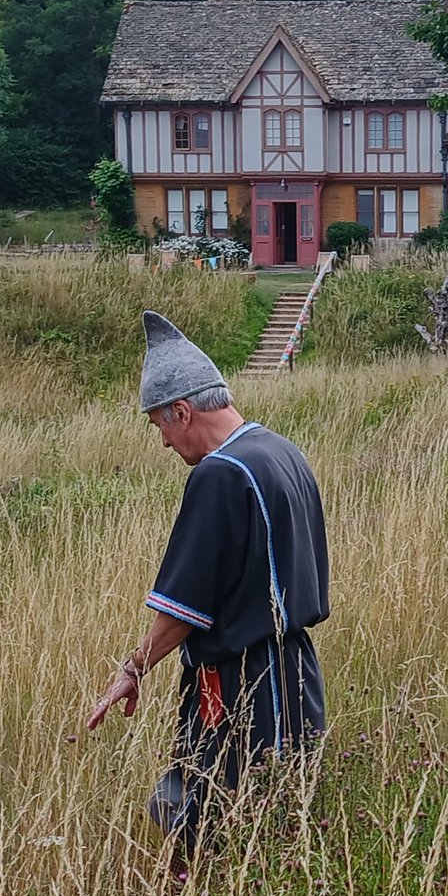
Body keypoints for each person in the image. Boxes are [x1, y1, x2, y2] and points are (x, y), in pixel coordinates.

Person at [89, 311, 329, 856]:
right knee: (286, 818)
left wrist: (132, 670)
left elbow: (183, 610)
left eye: (161, 427)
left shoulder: (220, 472)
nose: (165, 444)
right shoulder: (280, 451)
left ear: (182, 409)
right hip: (296, 671)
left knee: (209, 821)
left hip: (240, 681)